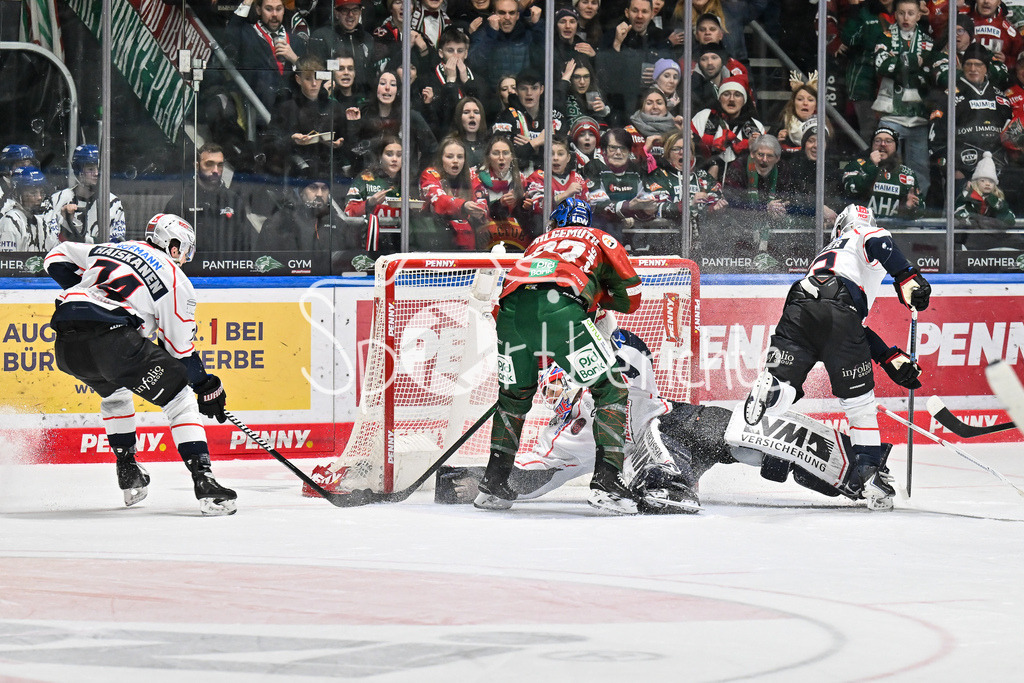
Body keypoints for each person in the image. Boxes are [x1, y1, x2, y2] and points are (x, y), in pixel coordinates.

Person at [437, 329, 898, 511]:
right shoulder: (574, 429)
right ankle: (670, 485)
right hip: (660, 444)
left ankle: (859, 470)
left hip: (682, 419)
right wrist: (472, 480)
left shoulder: (612, 371)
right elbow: (534, 480)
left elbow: (632, 362)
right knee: (668, 475)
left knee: (760, 441)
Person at [43, 214, 236, 515]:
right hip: (112, 341)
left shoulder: (112, 248)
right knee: (180, 397)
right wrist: (206, 386)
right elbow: (180, 353)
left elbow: (54, 258)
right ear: (174, 247)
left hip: (67, 344)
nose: (185, 258)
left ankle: (128, 470)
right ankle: (205, 481)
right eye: (186, 251)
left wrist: (85, 292)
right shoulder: (175, 279)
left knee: (115, 393)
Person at [742, 203, 931, 511]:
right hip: (841, 307)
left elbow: (853, 329)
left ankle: (773, 388)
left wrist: (888, 357)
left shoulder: (829, 252)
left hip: (799, 302)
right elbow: (879, 243)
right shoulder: (864, 232)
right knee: (859, 404)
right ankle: (870, 475)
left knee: (787, 381)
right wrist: (907, 276)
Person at [474, 197, 644, 515]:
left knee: (513, 399)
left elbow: (514, 297)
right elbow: (632, 298)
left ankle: (493, 484)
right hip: (561, 312)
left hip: (510, 317)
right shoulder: (599, 237)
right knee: (611, 389)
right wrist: (597, 294)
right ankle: (607, 483)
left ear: (554, 223)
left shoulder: (538, 242)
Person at [871, 0, 935, 198]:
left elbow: (929, 75)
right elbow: (881, 66)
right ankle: (888, 204)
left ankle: (917, 207)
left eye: (910, 13)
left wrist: (898, 62)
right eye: (901, 13)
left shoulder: (928, 41)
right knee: (887, 164)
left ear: (919, 15)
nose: (905, 18)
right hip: (891, 115)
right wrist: (915, 62)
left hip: (919, 117)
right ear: (895, 14)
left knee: (920, 168)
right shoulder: (885, 37)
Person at [164, 143, 254, 254]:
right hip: (190, 268)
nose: (215, 170)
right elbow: (167, 246)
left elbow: (245, 246)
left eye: (220, 165)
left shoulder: (234, 201)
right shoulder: (180, 202)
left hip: (227, 268)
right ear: (197, 166)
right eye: (209, 164)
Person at [227, 0, 308, 112]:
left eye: (279, 9)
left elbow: (310, 77)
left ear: (284, 10)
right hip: (258, 111)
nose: (274, 14)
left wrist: (294, 59)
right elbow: (230, 36)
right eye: (269, 9)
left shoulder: (295, 41)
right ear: (258, 10)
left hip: (291, 112)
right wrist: (247, 2)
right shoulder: (247, 34)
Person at [419, 135, 487, 250]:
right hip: (435, 235)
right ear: (441, 158)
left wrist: (479, 210)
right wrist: (464, 205)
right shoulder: (429, 174)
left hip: (467, 235)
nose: (455, 161)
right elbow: (438, 199)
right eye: (450, 157)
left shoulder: (471, 175)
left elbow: (482, 199)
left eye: (460, 157)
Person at [492, 68, 564, 174]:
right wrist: (536, 143)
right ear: (516, 91)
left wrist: (529, 148)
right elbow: (502, 157)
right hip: (517, 179)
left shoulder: (554, 117)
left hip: (549, 181)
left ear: (542, 89)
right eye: (523, 88)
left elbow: (565, 155)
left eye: (534, 88)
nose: (529, 93)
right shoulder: (506, 117)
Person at [50, 144, 126, 244]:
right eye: (90, 169)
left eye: (98, 169)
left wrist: (85, 241)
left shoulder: (113, 203)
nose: (96, 173)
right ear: (79, 171)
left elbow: (117, 243)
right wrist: (66, 223)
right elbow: (51, 241)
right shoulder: (57, 200)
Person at [842, 125, 924, 219]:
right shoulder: (857, 165)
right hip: (863, 228)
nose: (883, 144)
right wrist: (872, 167)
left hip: (895, 230)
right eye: (878, 140)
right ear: (872, 145)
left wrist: (909, 207)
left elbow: (922, 210)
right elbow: (850, 193)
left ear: (896, 146)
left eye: (888, 141)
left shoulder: (907, 174)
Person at [468, 0, 545, 93]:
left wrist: (537, 26)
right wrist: (491, 34)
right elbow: (474, 64)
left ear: (518, 15)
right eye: (502, 13)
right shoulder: (483, 34)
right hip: (494, 98)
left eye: (512, 13)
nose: (507, 17)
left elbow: (545, 61)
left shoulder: (528, 34)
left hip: (524, 95)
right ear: (493, 15)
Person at [470, 134, 531, 250]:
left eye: (506, 153)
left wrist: (525, 206)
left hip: (516, 241)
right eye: (496, 153)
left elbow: (526, 219)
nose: (501, 158)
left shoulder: (521, 179)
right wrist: (500, 204)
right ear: (488, 157)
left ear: (512, 157)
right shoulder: (476, 176)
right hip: (485, 239)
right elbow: (478, 214)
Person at [309, 0, 375, 95]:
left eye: (355, 10)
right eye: (345, 10)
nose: (351, 15)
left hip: (361, 101)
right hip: (331, 100)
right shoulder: (321, 37)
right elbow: (315, 73)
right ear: (336, 12)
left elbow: (370, 76)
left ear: (360, 12)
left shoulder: (368, 39)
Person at [0, 166, 58, 252]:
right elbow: (8, 261)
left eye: (41, 193)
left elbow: (55, 251)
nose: (39, 197)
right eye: (33, 193)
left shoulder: (41, 222)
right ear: (17, 193)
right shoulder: (11, 221)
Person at [449, 96, 488, 168]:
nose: (472, 115)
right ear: (459, 117)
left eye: (476, 112)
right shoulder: (450, 145)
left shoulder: (489, 145)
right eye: (466, 112)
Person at [0, 144, 38, 216]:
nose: (27, 170)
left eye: (29, 165)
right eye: (22, 166)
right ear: (7, 167)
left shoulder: (34, 189)